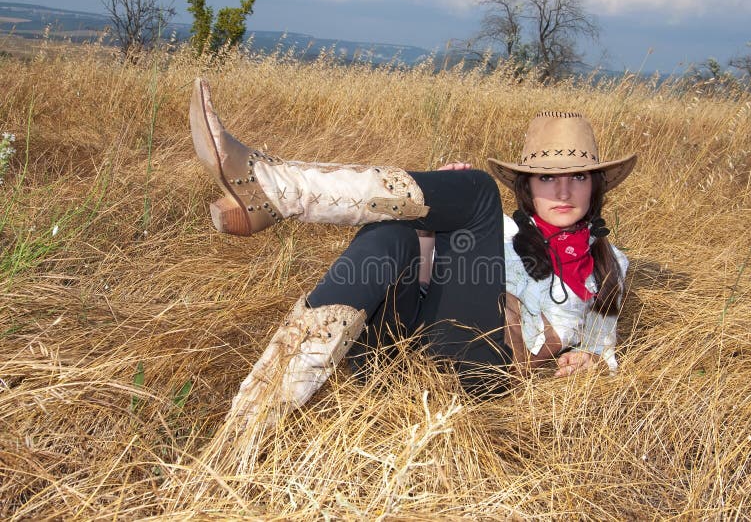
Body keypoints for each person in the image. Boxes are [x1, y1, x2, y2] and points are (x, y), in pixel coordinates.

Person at [189, 79, 636, 432]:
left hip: (484, 373)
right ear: (527, 187)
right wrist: (429, 222)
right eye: (545, 178)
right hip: (397, 359)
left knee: (477, 189)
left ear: (596, 185)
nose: (562, 191)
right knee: (393, 236)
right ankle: (250, 420)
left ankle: (276, 190)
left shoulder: (609, 261)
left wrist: (587, 361)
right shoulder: (497, 229)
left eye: (577, 176)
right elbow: (426, 285)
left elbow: (600, 349)